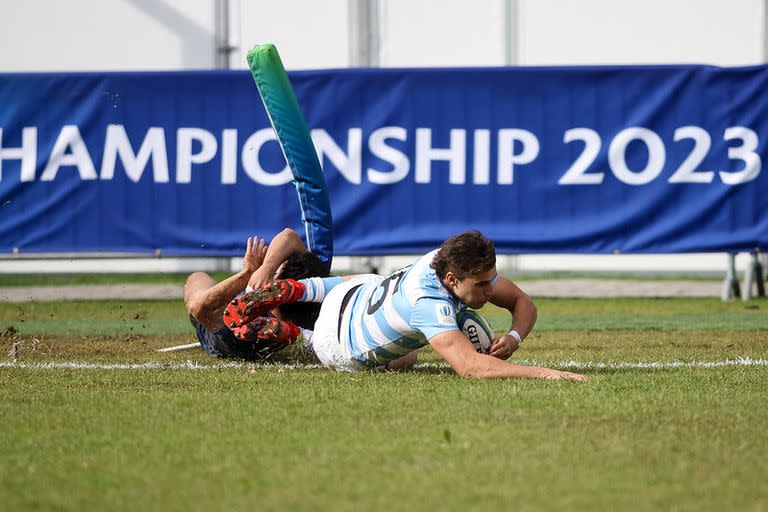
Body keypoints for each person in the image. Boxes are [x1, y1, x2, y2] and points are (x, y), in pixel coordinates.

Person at [225, 230, 588, 381]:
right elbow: (472, 368)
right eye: (481, 284)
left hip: (356, 293)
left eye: (490, 279)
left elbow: (524, 303)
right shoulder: (429, 303)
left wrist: (514, 337)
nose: (489, 290)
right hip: (336, 346)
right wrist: (548, 373)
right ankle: (295, 333)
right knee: (404, 359)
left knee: (379, 297)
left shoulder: (444, 260)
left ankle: (298, 290)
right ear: (451, 280)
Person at [184, 228, 327, 360]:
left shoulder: (246, 329)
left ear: (276, 288)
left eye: (276, 271)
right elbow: (290, 236)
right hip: (269, 309)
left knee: (197, 278)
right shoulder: (310, 293)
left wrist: (246, 275)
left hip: (218, 334)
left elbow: (198, 308)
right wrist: (266, 268)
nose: (275, 267)